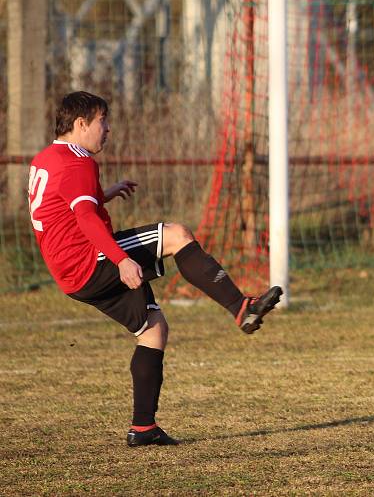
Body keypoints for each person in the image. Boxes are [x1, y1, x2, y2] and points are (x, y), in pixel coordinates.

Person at [28, 91, 283, 446]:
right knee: (177, 235)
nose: (109, 129)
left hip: (71, 276)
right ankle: (241, 307)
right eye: (103, 121)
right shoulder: (78, 161)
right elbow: (84, 217)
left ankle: (143, 428)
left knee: (153, 329)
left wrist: (106, 193)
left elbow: (61, 204)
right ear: (81, 124)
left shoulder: (45, 159)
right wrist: (121, 259)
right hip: (90, 260)